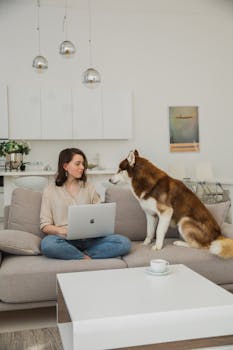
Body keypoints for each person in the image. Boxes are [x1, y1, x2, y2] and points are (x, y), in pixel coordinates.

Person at [40, 148, 131, 260]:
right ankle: (83, 257)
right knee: (47, 244)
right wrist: (62, 230)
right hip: (65, 239)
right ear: (65, 166)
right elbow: (45, 225)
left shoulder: (89, 188)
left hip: (91, 239)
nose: (82, 167)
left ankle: (81, 255)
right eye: (78, 164)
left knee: (123, 243)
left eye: (83, 164)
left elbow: (100, 215)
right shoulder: (50, 191)